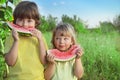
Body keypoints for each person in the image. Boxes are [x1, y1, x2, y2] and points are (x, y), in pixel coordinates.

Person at [4, 1, 47, 80]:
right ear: (15, 20)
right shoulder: (11, 38)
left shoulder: (40, 38)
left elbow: (44, 61)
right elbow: (10, 62)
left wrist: (40, 40)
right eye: (20, 20)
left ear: (36, 23)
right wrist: (16, 41)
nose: (24, 24)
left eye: (29, 21)